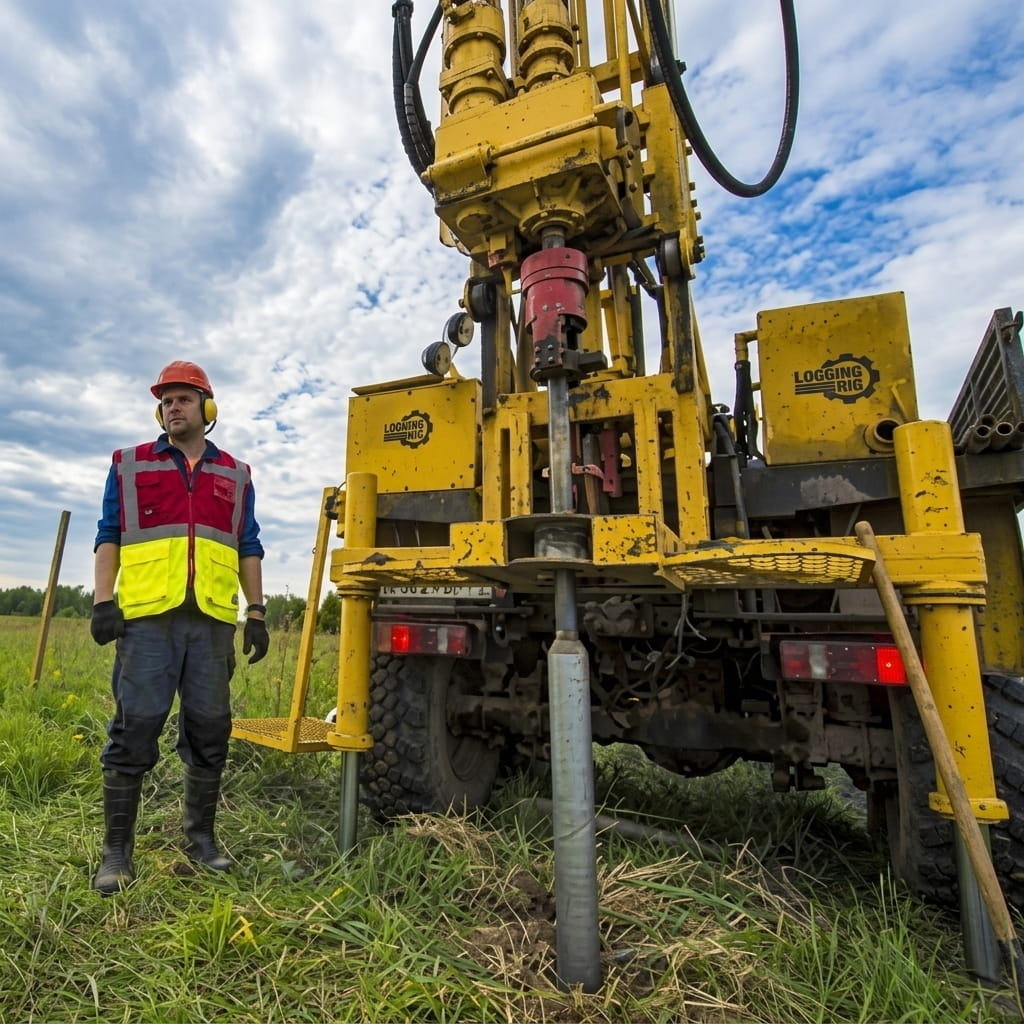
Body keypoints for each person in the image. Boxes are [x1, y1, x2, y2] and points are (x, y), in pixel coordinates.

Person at [89, 360, 269, 895]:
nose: (173, 407)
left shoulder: (236, 474)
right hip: (147, 622)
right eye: (166, 401)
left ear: (207, 408)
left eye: (184, 399)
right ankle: (116, 853)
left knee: (210, 729)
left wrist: (256, 611)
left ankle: (201, 841)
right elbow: (109, 532)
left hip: (211, 624)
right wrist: (103, 601)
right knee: (134, 730)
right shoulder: (128, 464)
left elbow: (248, 544)